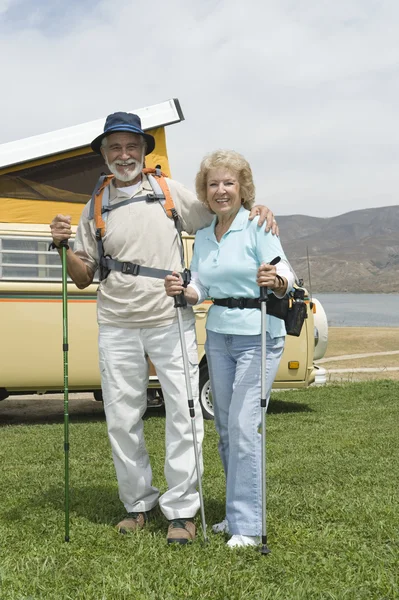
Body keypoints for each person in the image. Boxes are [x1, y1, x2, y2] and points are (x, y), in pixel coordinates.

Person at [49, 112, 277, 545]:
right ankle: (138, 504)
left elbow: (219, 211)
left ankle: (182, 510)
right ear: (104, 154)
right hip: (116, 321)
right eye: (114, 147)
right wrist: (64, 247)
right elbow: (83, 275)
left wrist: (256, 207)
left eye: (131, 146)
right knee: (121, 417)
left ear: (142, 150)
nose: (124, 155)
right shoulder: (94, 205)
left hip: (169, 316)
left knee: (185, 412)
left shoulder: (167, 191)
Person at [164, 149, 295, 548]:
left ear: (242, 189)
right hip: (219, 335)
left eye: (229, 183)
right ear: (205, 192)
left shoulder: (258, 225)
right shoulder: (203, 236)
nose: (221, 191)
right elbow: (201, 283)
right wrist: (186, 291)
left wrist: (276, 279)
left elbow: (286, 272)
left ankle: (249, 527)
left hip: (259, 333)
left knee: (242, 427)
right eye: (213, 184)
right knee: (223, 429)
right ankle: (236, 514)